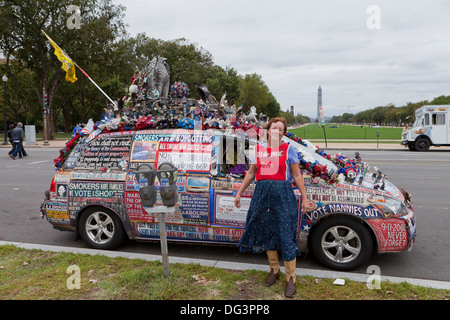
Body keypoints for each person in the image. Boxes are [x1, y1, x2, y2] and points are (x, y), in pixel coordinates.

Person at [234, 117, 308, 298]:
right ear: (268, 130)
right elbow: (251, 173)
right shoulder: (258, 149)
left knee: (285, 234)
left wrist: (305, 197)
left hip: (283, 197)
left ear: (283, 133)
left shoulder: (288, 149)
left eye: (281, 129)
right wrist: (239, 192)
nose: (277, 131)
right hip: (262, 196)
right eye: (274, 128)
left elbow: (297, 175)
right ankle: (274, 270)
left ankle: (291, 278)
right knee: (268, 232)